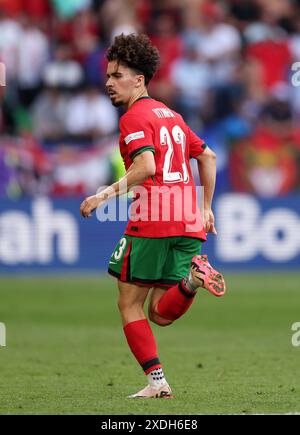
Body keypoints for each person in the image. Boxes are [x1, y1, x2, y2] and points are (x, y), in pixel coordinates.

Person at [80, 33, 226, 399]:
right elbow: (207, 156)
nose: (109, 83)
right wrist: (206, 207)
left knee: (128, 304)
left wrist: (103, 195)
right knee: (160, 312)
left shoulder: (134, 117)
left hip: (154, 218)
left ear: (139, 79)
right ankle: (194, 280)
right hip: (189, 221)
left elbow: (145, 167)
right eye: (108, 76)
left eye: (117, 75)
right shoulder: (173, 116)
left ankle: (157, 383)